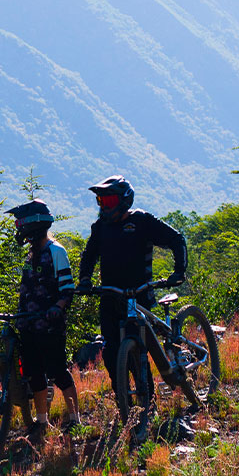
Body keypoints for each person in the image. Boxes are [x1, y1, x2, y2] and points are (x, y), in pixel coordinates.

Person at [76, 175, 187, 409]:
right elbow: (88, 256)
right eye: (101, 202)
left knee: (139, 351)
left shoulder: (142, 221)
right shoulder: (101, 228)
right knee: (112, 355)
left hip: (140, 297)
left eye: (109, 201)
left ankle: (148, 405)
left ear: (124, 201)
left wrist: (179, 271)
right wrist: (84, 279)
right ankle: (125, 405)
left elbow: (176, 239)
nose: (104, 207)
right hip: (110, 297)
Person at [7, 200, 81, 442]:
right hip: (28, 324)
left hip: (49, 325)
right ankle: (41, 422)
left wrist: (57, 308)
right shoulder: (30, 255)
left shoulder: (56, 251)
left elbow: (68, 289)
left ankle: (75, 420)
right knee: (35, 374)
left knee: (59, 372)